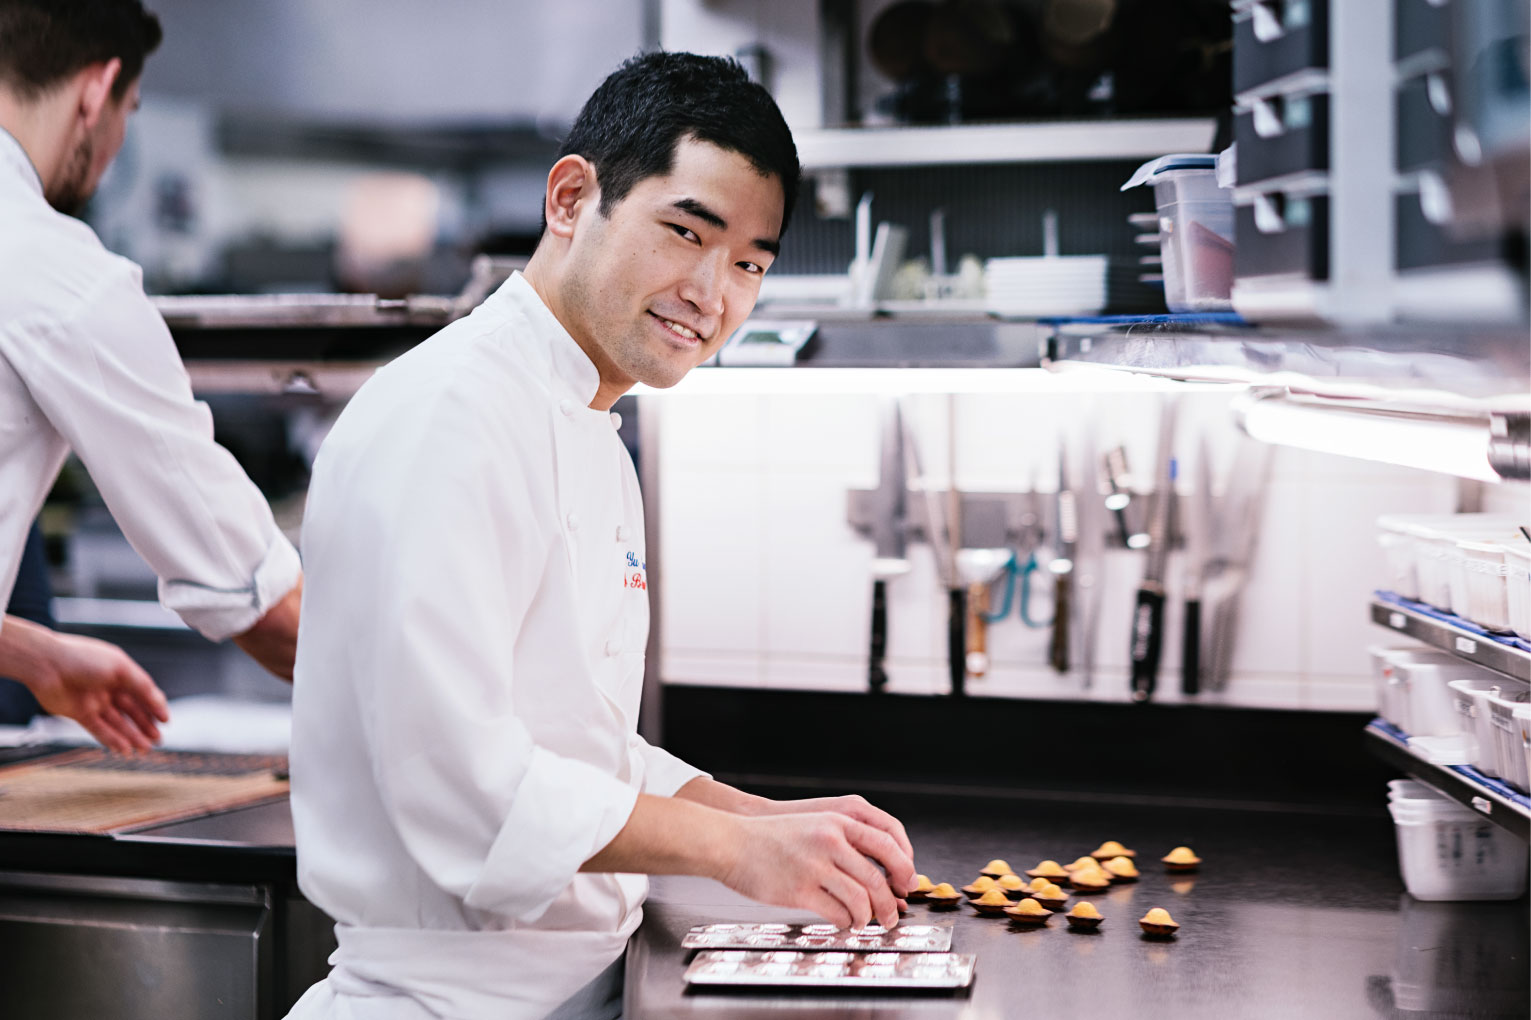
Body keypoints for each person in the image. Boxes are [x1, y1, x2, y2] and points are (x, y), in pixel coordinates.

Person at [286, 52, 917, 1020]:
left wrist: (766, 819)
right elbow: (459, 783)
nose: (712, 293)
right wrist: (736, 852)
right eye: (685, 232)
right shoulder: (449, 417)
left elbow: (573, 740)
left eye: (749, 263)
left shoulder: (589, 417)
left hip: (565, 990)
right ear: (573, 198)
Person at [0, 0, 304, 752]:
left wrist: (32, 655)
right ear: (98, 91)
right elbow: (253, 598)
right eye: (131, 109)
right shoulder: (62, 277)